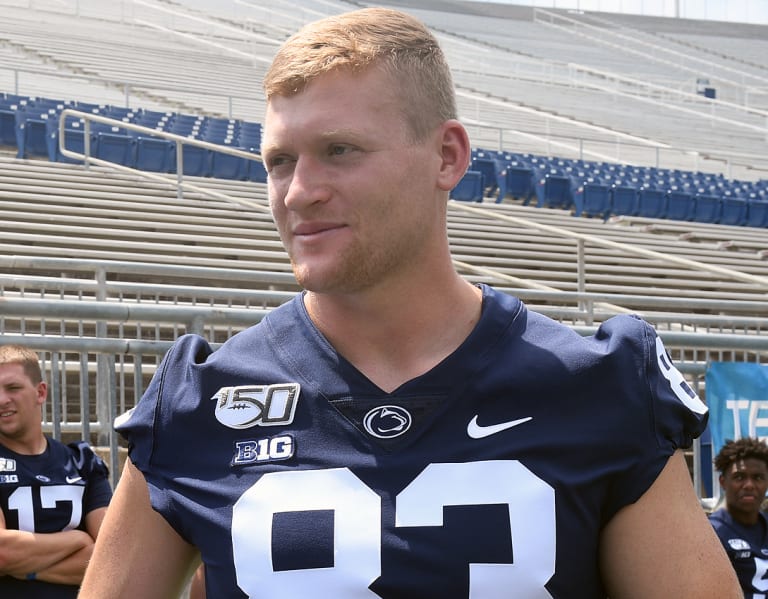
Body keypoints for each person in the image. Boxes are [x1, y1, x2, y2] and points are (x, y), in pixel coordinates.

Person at [78, 7, 741, 599]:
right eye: (280, 161)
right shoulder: (200, 400)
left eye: (339, 150)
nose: (298, 191)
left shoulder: (594, 384)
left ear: (446, 156)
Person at [0, 345, 112, 598]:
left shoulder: (82, 461)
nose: (1, 399)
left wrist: (28, 569)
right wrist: (78, 540)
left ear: (40, 393)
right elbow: (2, 553)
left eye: (13, 388)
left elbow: (112, 555)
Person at [710, 437, 768, 597]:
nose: (749, 485)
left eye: (758, 477)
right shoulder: (711, 532)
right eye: (739, 477)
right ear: (723, 482)